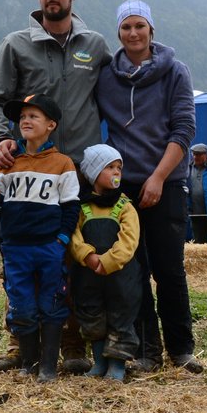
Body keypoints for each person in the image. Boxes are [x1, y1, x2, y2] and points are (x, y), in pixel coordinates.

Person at [0, 0, 109, 373]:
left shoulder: (96, 44)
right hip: (30, 173)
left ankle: (73, 343)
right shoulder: (16, 44)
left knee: (71, 256)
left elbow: (118, 91)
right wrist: (2, 137)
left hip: (80, 170)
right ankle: (23, 345)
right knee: (22, 256)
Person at [95, 0, 203, 374]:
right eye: (126, 27)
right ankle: (146, 350)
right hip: (124, 186)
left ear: (151, 30)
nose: (133, 33)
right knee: (132, 271)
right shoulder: (106, 75)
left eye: (140, 25)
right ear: (119, 33)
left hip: (167, 183)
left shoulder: (176, 71)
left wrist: (159, 177)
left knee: (169, 270)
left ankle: (181, 348)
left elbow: (184, 128)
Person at [0, 93, 80, 383]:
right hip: (15, 248)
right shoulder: (8, 162)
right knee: (21, 304)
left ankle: (49, 366)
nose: (25, 120)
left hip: (49, 246)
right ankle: (29, 361)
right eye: (22, 117)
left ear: (51, 124)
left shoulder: (63, 163)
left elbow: (71, 205)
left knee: (51, 302)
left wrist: (62, 238)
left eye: (33, 116)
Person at [69, 144, 141, 382]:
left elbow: (129, 239)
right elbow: (74, 235)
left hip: (120, 275)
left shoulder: (125, 206)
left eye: (119, 167)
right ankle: (99, 362)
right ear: (93, 173)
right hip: (88, 274)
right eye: (109, 167)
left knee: (121, 315)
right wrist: (87, 256)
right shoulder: (82, 207)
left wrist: (109, 261)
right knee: (92, 314)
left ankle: (117, 366)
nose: (116, 172)